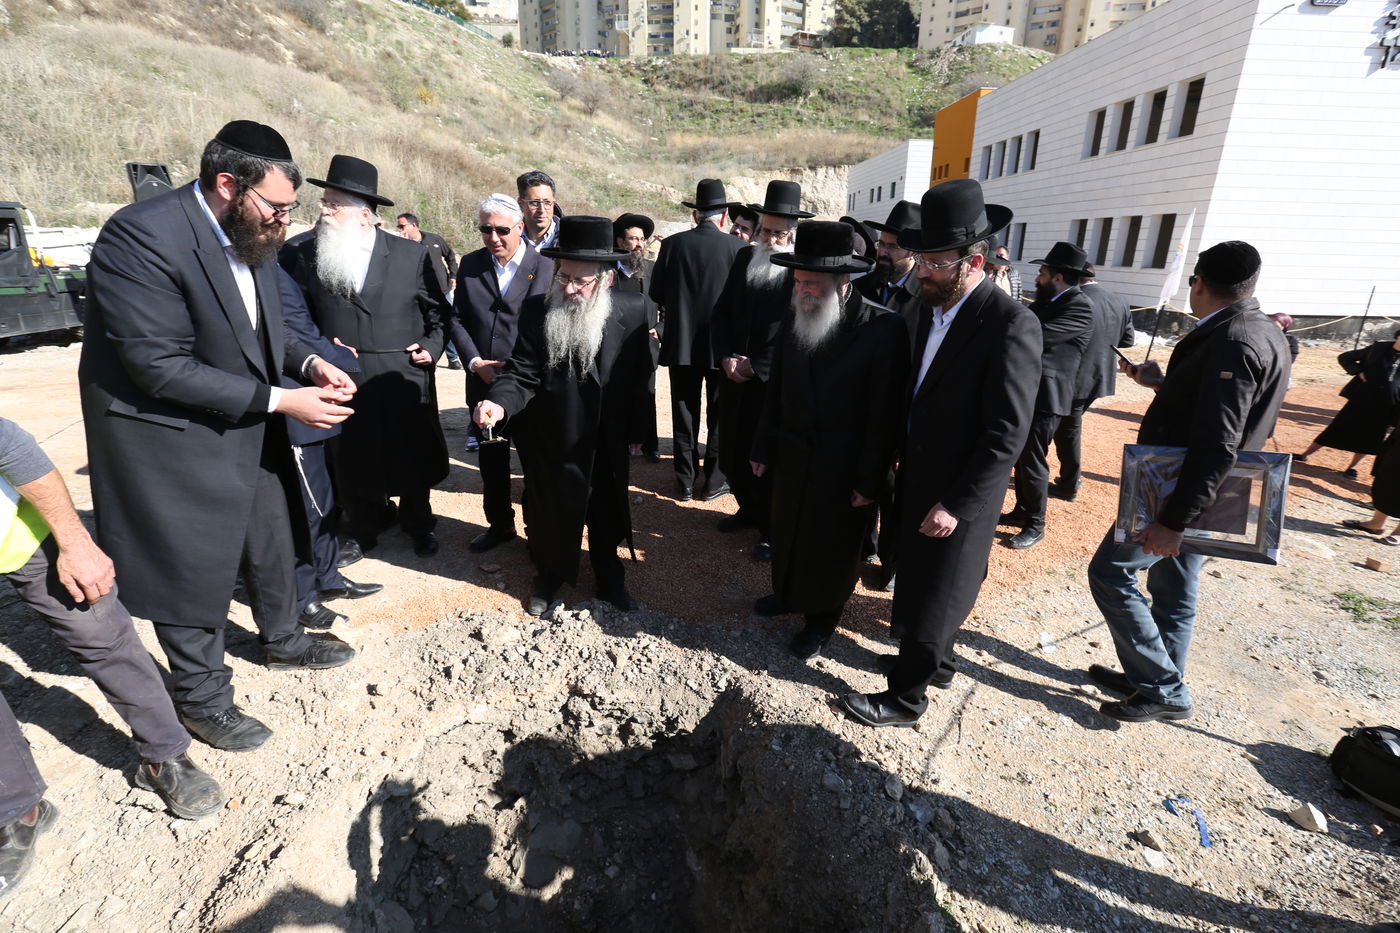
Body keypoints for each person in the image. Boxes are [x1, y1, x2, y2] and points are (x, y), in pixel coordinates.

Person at [80, 120, 357, 753]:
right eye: (277, 207)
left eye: (293, 208)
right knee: (192, 563)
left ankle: (283, 640)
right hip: (168, 435)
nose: (286, 221)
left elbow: (263, 330)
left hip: (243, 418)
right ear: (228, 184)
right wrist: (286, 399)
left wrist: (309, 364)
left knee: (270, 532)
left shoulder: (250, 236)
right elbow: (156, 364)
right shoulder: (142, 236)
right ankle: (203, 699)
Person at [838, 179, 1040, 729]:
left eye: (934, 262)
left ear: (973, 262)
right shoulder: (928, 307)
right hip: (917, 471)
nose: (920, 271)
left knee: (940, 591)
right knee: (919, 575)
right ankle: (936, 665)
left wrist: (957, 502)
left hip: (961, 486)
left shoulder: (1010, 324)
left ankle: (905, 699)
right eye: (920, 258)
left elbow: (1006, 432)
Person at [0, 417, 227, 899]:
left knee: (102, 633)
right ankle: (17, 809)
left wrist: (75, 541)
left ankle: (166, 754)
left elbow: (12, 446)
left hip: (15, 532)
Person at [1087, 241, 1290, 723]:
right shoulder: (1260, 330)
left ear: (1198, 283)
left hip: (1184, 491)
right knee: (1175, 588)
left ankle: (1161, 686)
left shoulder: (1233, 340)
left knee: (1111, 573)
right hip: (1208, 488)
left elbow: (1219, 441)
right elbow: (1221, 411)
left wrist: (1174, 519)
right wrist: (1161, 383)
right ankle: (1155, 674)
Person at [474, 216, 652, 616]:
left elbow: (642, 376)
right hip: (551, 433)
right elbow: (521, 370)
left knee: (605, 509)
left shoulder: (635, 307)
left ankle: (609, 572)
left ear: (605, 280)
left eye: (579, 281)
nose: (568, 289)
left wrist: (641, 430)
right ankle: (550, 573)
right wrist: (498, 403)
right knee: (550, 508)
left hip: (606, 436)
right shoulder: (538, 308)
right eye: (563, 278)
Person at [279, 154, 452, 559]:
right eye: (324, 203)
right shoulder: (300, 253)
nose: (323, 211)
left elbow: (439, 314)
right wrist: (318, 354)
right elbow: (293, 316)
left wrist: (431, 347)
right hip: (339, 375)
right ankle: (365, 526)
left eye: (333, 205)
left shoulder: (411, 256)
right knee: (352, 455)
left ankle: (418, 521)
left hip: (401, 372)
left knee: (411, 452)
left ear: (363, 214)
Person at [749, 221, 908, 658]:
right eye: (799, 281)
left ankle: (821, 619)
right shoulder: (794, 310)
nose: (804, 291)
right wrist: (763, 445)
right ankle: (787, 594)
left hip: (844, 465)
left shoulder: (883, 328)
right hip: (793, 452)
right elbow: (777, 386)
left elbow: (884, 417)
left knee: (832, 544)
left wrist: (869, 480)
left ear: (843, 284)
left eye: (814, 284)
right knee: (787, 529)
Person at [274, 266, 383, 630]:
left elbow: (297, 330)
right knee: (304, 512)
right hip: (293, 404)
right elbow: (281, 335)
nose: (284, 220)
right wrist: (338, 358)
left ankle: (328, 577)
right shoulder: (253, 266)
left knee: (320, 505)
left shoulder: (269, 265)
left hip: (311, 405)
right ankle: (304, 599)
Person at [712, 180, 811, 561]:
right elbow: (721, 313)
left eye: (777, 232)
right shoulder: (744, 258)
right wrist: (724, 356)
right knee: (734, 447)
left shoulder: (800, 270)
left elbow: (797, 331)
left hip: (773, 383)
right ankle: (748, 509)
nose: (769, 238)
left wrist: (760, 365)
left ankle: (772, 527)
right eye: (764, 230)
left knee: (765, 454)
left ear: (793, 233)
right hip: (735, 375)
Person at [449, 194, 554, 554]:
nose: (493, 238)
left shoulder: (545, 267)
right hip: (482, 380)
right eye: (485, 230)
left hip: (526, 386)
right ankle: (499, 525)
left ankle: (537, 529)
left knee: (533, 463)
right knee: (491, 463)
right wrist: (475, 362)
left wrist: (520, 368)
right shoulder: (472, 264)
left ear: (520, 228)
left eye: (501, 230)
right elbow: (457, 318)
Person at [649, 179, 744, 501]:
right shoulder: (739, 249)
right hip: (722, 347)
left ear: (695, 215)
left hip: (682, 343)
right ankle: (714, 482)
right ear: (724, 215)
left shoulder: (672, 245)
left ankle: (685, 481)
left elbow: (656, 293)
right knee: (720, 415)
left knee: (684, 414)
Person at [1003, 241, 1093, 550]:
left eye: (1042, 272)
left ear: (1058, 276)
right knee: (1019, 456)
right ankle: (1021, 510)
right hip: (1026, 391)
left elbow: (1036, 335)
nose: (1037, 278)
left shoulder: (1079, 306)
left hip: (1047, 397)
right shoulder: (1047, 300)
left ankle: (1036, 523)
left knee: (1033, 461)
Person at [1050, 263, 1136, 502]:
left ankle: (1069, 483)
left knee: (1067, 430)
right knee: (1067, 428)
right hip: (1100, 376)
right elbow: (1127, 340)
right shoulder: (1119, 300)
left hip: (1075, 376)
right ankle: (1067, 479)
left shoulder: (1074, 299)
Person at [1296, 331, 1400, 478]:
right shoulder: (1378, 349)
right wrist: (1358, 371)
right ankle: (1305, 454)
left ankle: (1352, 467)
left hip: (1387, 405)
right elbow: (1346, 357)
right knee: (1338, 427)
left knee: (1371, 437)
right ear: (1397, 336)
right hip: (1362, 398)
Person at [612, 212, 661, 462]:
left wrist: (660, 329)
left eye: (642, 239)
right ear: (620, 243)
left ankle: (648, 444)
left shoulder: (653, 270)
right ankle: (619, 441)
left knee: (646, 393)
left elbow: (671, 305)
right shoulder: (608, 272)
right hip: (616, 346)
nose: (640, 244)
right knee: (617, 393)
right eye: (633, 239)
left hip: (646, 344)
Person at [396, 211, 463, 369]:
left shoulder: (434, 239)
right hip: (416, 293)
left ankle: (453, 358)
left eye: (401, 226)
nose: (399, 229)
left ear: (414, 225)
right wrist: (402, 246)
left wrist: (454, 275)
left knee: (446, 320)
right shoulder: (401, 244)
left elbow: (450, 256)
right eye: (398, 226)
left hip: (442, 289)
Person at [517, 169, 561, 252]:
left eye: (547, 202)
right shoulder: (508, 237)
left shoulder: (571, 240)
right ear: (521, 203)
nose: (542, 210)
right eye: (534, 203)